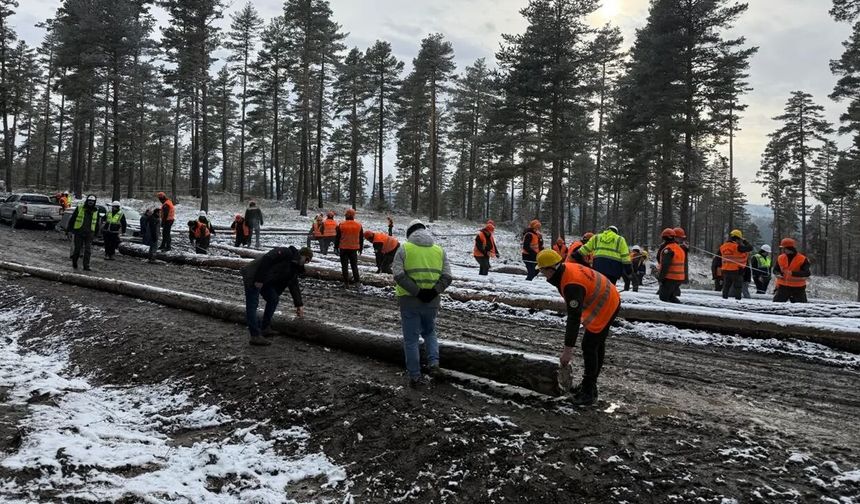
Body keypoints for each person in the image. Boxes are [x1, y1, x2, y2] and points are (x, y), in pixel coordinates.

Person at [536, 249, 620, 406]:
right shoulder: (564, 270)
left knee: (589, 346)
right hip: (610, 297)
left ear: (551, 269)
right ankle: (590, 387)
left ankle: (588, 393)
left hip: (607, 304)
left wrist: (567, 350)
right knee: (595, 344)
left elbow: (574, 318)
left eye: (542, 271)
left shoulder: (571, 284)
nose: (542, 274)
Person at [393, 219, 453, 387]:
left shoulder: (404, 248)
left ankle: (415, 376)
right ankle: (434, 365)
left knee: (411, 340)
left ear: (410, 233)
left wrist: (417, 292)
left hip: (409, 300)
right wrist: (433, 291)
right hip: (432, 302)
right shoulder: (439, 251)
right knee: (430, 332)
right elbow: (447, 276)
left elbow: (398, 275)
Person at [241, 246, 313, 346]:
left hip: (264, 281)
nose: (306, 263)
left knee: (273, 298)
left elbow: (293, 285)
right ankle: (255, 336)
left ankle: (265, 328)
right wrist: (259, 279)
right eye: (307, 260)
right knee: (253, 304)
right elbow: (267, 258)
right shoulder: (286, 252)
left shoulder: (293, 267)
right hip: (253, 275)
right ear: (303, 255)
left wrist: (299, 305)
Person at [67, 195, 100, 271]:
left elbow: (97, 223)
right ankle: (74, 262)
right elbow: (73, 219)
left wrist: (96, 233)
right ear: (87, 201)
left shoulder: (96, 210)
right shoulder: (80, 208)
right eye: (89, 201)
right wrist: (69, 230)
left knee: (88, 250)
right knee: (77, 249)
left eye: (92, 201)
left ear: (94, 202)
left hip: (90, 233)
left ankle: (86, 266)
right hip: (79, 231)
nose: (90, 203)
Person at [773, 238, 810, 303]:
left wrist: (793, 273)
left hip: (798, 288)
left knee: (801, 308)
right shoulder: (780, 258)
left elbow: (807, 273)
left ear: (789, 248)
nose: (783, 250)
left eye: (784, 248)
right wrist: (777, 274)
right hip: (783, 286)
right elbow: (775, 269)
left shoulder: (802, 259)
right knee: (776, 305)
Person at [719, 229, 753, 300]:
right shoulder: (737, 247)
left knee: (726, 287)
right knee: (738, 287)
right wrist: (745, 241)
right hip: (736, 270)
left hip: (725, 270)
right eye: (740, 240)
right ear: (737, 239)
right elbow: (750, 248)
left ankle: (724, 300)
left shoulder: (723, 246)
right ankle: (738, 301)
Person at [335, 208, 364, 286]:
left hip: (343, 248)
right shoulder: (359, 225)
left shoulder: (341, 224)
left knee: (344, 266)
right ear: (353, 216)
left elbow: (337, 237)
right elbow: (361, 238)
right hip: (354, 249)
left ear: (346, 215)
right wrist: (361, 248)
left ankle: (346, 283)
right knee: (354, 265)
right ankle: (357, 282)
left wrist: (335, 247)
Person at [657, 228, 685, 303]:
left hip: (670, 278)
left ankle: (677, 312)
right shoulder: (679, 248)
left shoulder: (668, 249)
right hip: (679, 278)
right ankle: (679, 308)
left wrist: (660, 278)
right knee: (671, 297)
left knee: (663, 297)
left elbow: (665, 265)